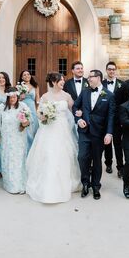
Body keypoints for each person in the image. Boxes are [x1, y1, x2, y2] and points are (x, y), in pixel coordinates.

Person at [26, 72, 80, 203]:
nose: (63, 82)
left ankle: (65, 182)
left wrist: (79, 113)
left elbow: (75, 108)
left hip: (63, 129)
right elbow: (39, 112)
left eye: (63, 80)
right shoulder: (45, 96)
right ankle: (47, 185)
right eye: (61, 80)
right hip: (48, 129)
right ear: (54, 82)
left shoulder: (66, 95)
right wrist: (43, 116)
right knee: (48, 154)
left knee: (64, 154)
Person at [73, 70, 115, 200]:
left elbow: (111, 116)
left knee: (97, 160)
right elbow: (75, 107)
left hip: (99, 133)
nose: (88, 79)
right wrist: (78, 120)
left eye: (90, 77)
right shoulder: (85, 92)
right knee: (82, 157)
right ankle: (85, 183)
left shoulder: (109, 95)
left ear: (98, 78)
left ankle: (96, 186)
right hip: (84, 132)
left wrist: (109, 133)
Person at [0, 88, 30, 194]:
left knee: (19, 160)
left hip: (19, 137)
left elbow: (29, 121)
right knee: (8, 160)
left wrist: (24, 122)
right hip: (6, 138)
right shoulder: (1, 107)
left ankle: (21, 184)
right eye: (10, 97)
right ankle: (11, 185)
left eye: (14, 97)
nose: (13, 99)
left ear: (17, 97)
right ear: (7, 97)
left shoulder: (23, 106)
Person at [102, 61, 123, 175]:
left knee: (118, 144)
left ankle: (120, 167)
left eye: (113, 69)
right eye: (109, 69)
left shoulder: (122, 84)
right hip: (105, 119)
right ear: (106, 70)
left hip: (117, 119)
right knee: (107, 143)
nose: (111, 71)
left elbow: (125, 103)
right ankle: (108, 164)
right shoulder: (101, 84)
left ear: (115, 70)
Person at [18, 70, 40, 152]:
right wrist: (21, 97)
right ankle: (25, 151)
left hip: (32, 109)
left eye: (28, 74)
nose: (26, 76)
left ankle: (32, 152)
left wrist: (39, 109)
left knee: (33, 131)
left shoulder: (35, 86)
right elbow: (16, 100)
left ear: (30, 76)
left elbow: (37, 99)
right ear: (22, 77)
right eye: (24, 75)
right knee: (25, 131)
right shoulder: (19, 86)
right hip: (22, 109)